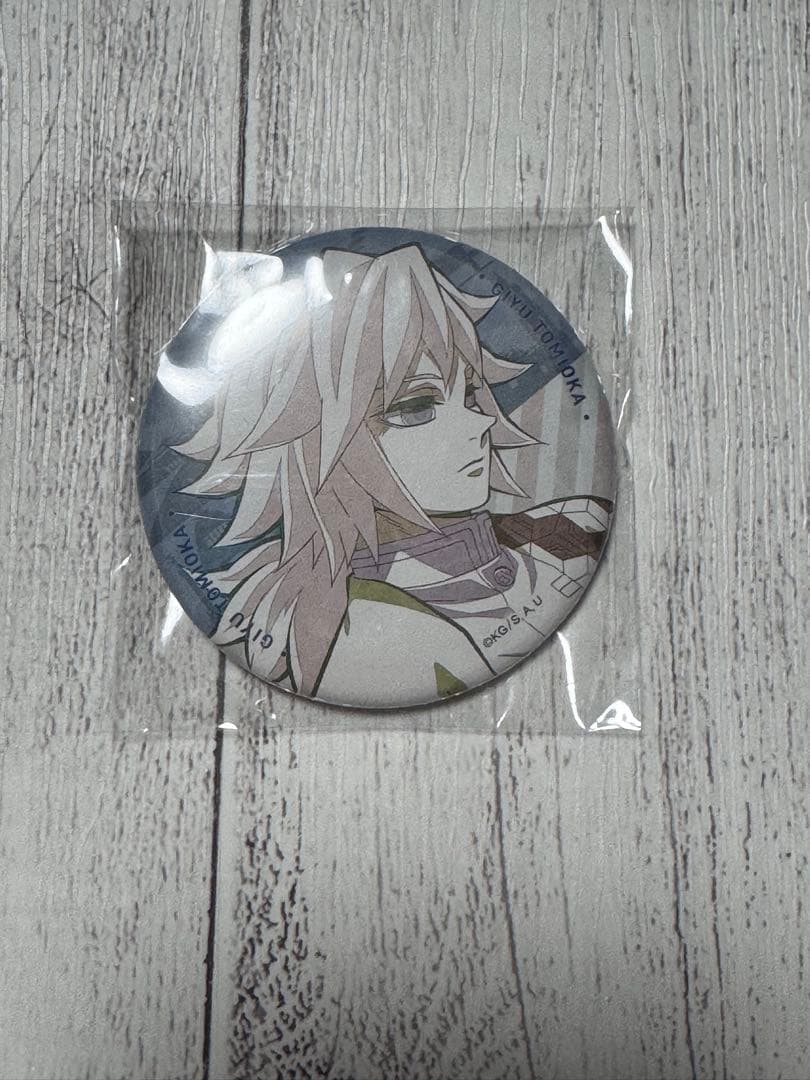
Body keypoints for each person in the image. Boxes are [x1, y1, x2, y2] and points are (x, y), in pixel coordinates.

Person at [170, 243, 611, 707]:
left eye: (471, 393)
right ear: (316, 440)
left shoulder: (569, 526)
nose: (481, 422)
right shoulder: (370, 630)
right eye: (416, 407)